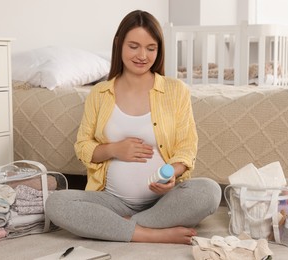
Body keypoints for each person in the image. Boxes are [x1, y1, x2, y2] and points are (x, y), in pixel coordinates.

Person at [45, 9, 221, 245]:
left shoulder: (176, 90)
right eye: (134, 46)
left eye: (151, 48)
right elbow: (83, 146)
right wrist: (114, 149)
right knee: (56, 203)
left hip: (164, 200)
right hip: (112, 201)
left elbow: (187, 147)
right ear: (119, 44)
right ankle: (150, 232)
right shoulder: (100, 93)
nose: (142, 55)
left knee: (209, 191)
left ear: (159, 50)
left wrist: (173, 175)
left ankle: (117, 226)